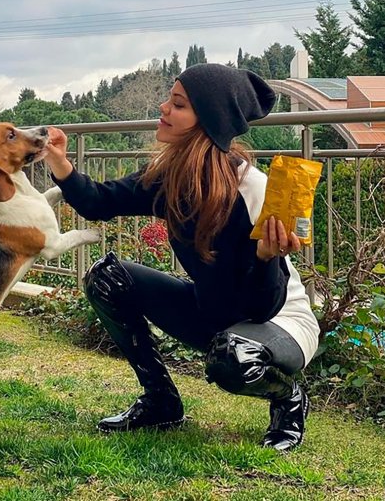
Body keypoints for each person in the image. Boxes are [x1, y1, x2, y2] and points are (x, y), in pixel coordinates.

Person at [44, 63, 320, 452]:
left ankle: (288, 398)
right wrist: (58, 159)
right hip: (211, 312)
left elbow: (261, 306)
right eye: (169, 100)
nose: (163, 108)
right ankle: (161, 401)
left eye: (178, 104)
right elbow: (97, 202)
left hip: (278, 323)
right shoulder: (168, 178)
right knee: (107, 277)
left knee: (235, 355)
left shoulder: (253, 190)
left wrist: (264, 256)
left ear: (207, 121)